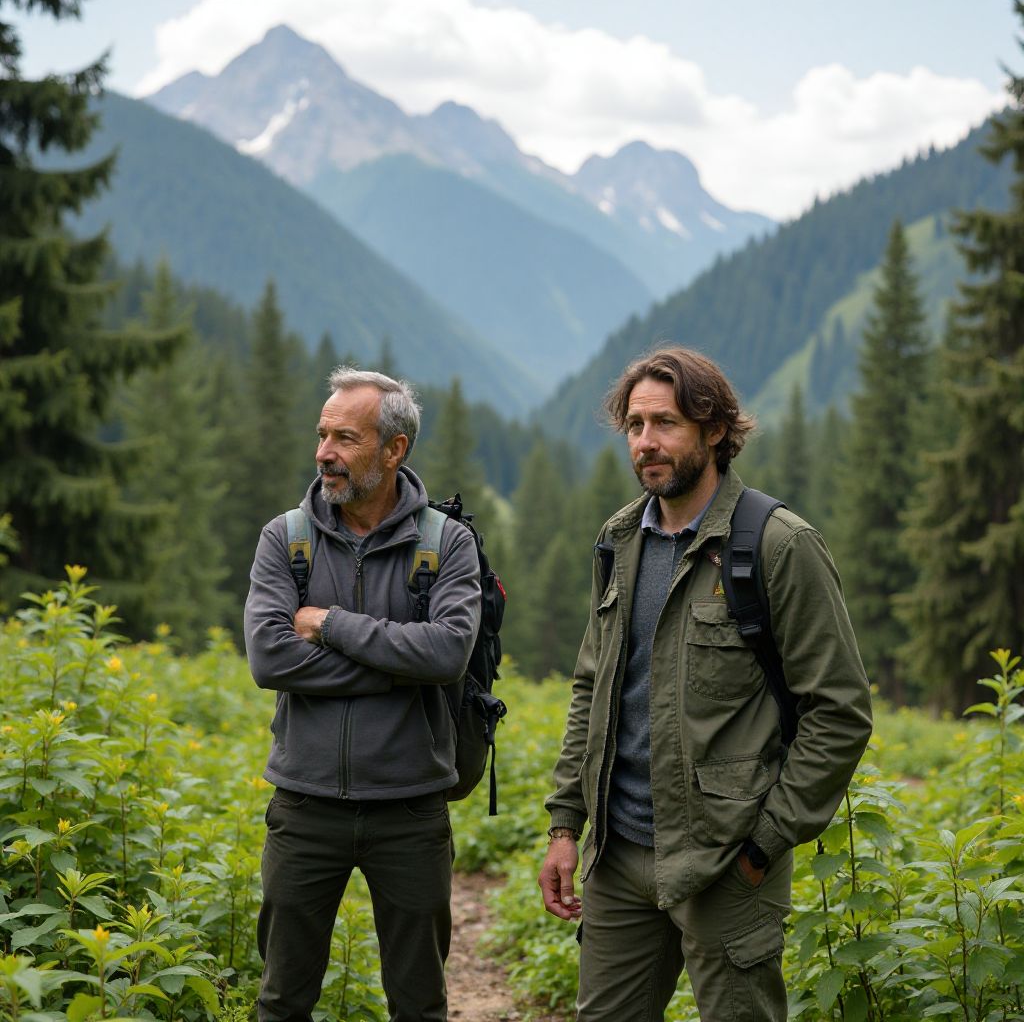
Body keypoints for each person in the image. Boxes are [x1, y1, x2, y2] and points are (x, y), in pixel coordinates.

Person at [538, 347, 872, 1021]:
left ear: (715, 430)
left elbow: (840, 711)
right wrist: (565, 824)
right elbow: (591, 686)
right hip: (618, 857)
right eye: (635, 425)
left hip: (727, 863)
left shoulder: (778, 545)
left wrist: (764, 844)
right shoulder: (618, 540)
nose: (646, 442)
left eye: (665, 423)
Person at [244, 367, 481, 1022]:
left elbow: (448, 654)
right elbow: (269, 658)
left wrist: (329, 625)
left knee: (419, 1003)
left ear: (394, 448)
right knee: (282, 1001)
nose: (324, 452)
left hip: (411, 809)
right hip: (304, 806)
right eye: (322, 435)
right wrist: (401, 665)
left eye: (345, 438)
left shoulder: (447, 542)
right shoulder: (285, 537)